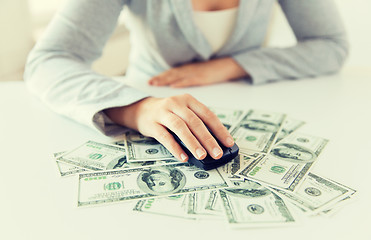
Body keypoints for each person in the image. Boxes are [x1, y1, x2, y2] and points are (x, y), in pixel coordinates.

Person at [24, 0, 348, 163]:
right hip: (150, 103)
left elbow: (331, 45)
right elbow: (48, 60)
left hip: (252, 100)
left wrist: (231, 66)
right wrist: (137, 109)